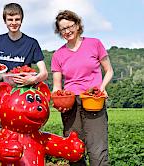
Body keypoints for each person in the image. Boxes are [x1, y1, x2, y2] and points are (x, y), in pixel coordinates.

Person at [51, 10, 114, 166]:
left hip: (93, 100)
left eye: (69, 26)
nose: (67, 31)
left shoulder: (94, 44)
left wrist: (103, 87)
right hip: (70, 104)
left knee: (97, 150)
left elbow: (109, 70)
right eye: (62, 29)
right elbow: (57, 86)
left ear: (78, 25)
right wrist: (56, 100)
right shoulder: (58, 55)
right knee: (74, 150)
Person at [0, 3, 48, 132]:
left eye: (17, 19)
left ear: (22, 20)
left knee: (21, 133)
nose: (14, 23)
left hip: (22, 96)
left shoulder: (31, 43)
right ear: (5, 20)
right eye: (10, 19)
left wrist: (32, 80)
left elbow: (44, 73)